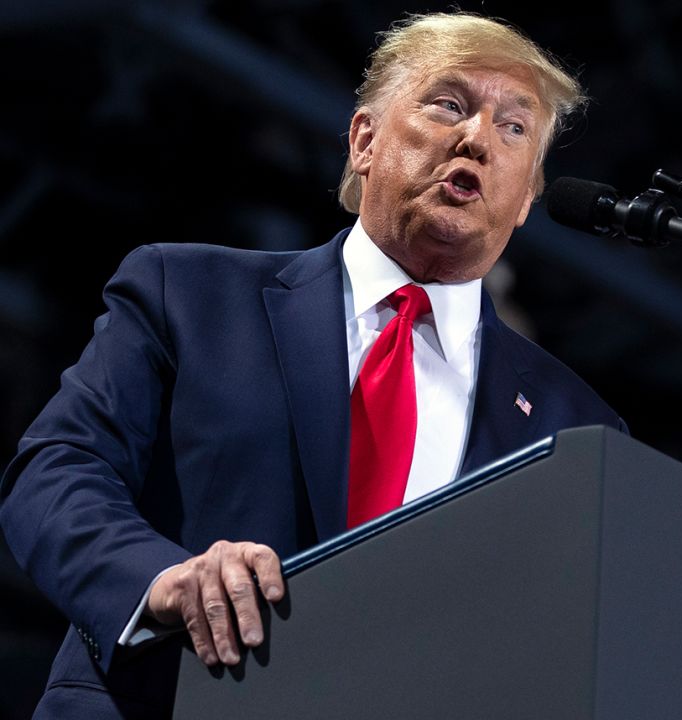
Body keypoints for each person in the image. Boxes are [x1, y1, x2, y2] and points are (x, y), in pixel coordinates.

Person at [0, 12, 625, 719]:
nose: (478, 138)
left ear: (526, 201)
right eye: (450, 104)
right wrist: (163, 579)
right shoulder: (188, 294)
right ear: (364, 141)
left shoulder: (577, 433)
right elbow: (55, 470)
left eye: (514, 128)